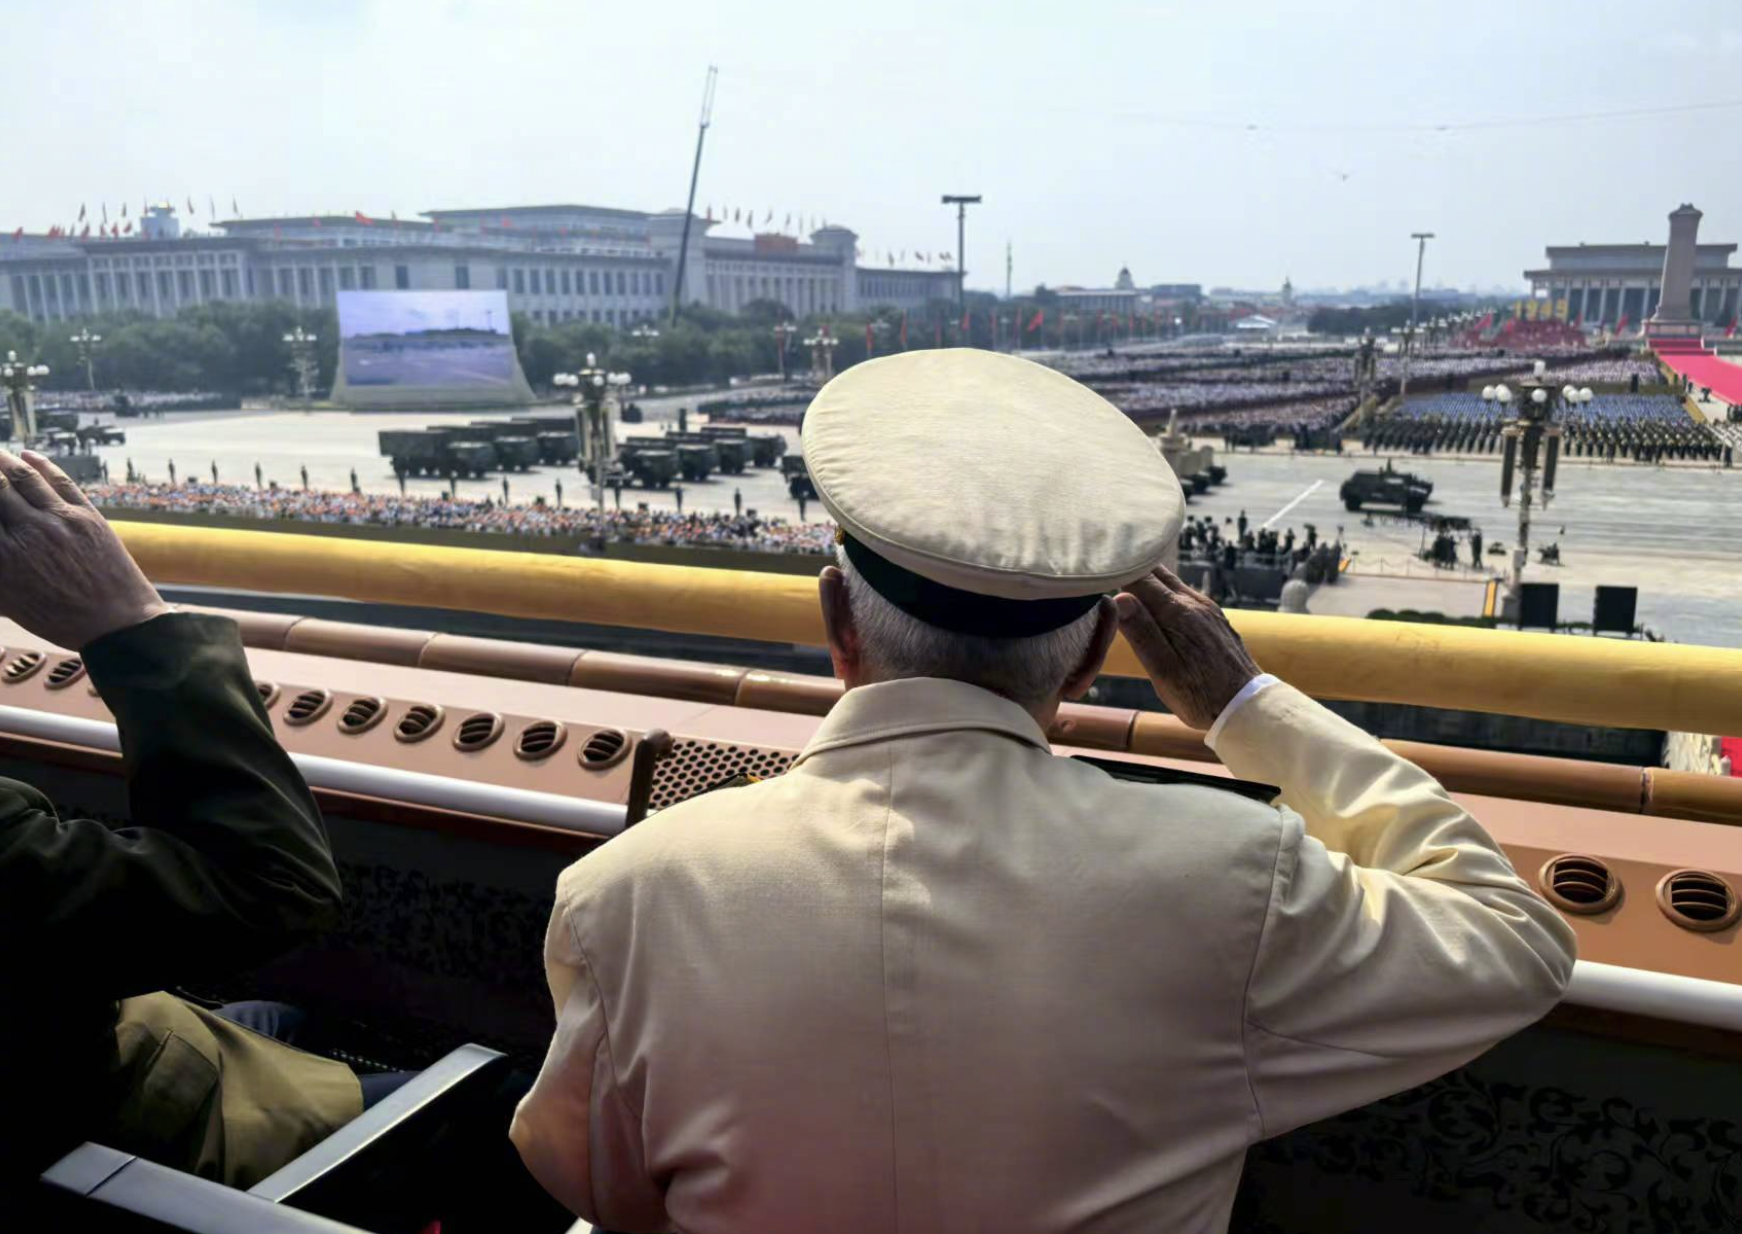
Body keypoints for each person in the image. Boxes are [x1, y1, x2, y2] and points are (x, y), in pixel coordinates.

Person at [510, 351, 1576, 1233]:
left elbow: (597, 1187)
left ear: (838, 622)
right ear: (1093, 659)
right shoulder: (1230, 874)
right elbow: (1515, 942)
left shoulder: (625, 894)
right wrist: (1245, 705)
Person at [0, 449, 368, 1195]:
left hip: (92, 1045)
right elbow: (272, 886)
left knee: (281, 1017)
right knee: (505, 1098)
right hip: (120, 1147)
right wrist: (130, 621)